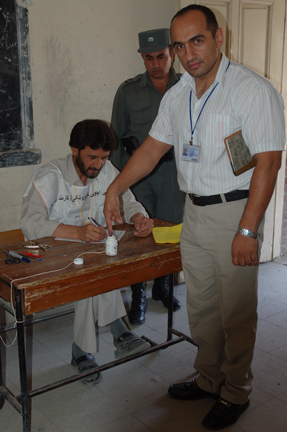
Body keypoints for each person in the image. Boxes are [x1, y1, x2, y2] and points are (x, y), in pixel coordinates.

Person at [103, 5, 285, 430]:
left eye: (197, 41)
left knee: (236, 312)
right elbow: (151, 149)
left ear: (219, 38)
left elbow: (268, 164)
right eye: (180, 46)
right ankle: (209, 378)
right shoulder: (179, 94)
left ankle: (236, 391)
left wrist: (248, 229)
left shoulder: (252, 90)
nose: (189, 54)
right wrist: (114, 187)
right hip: (194, 213)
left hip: (234, 212)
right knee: (202, 309)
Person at [21, 119, 154, 384]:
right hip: (54, 252)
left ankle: (84, 351)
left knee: (94, 264)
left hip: (91, 251)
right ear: (74, 150)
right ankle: (113, 334)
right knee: (88, 270)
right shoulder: (51, 175)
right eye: (92, 157)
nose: (99, 165)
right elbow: (29, 221)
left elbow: (128, 202)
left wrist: (139, 217)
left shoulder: (106, 172)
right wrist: (77, 233)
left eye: (104, 158)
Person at [111, 28, 185, 325]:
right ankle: (139, 294)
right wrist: (116, 186)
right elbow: (116, 138)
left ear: (172, 54)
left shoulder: (187, 87)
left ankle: (164, 287)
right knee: (139, 234)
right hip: (138, 174)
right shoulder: (128, 91)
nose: (157, 64)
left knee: (169, 232)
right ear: (142, 58)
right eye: (149, 58)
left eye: (162, 56)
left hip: (174, 172)